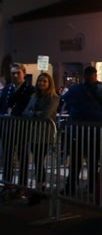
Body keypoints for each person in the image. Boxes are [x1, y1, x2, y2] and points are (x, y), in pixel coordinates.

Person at [61, 65, 102, 195]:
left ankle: (70, 187)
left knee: (76, 161)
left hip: (77, 131)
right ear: (96, 75)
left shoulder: (75, 89)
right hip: (96, 131)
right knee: (93, 161)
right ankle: (92, 187)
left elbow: (65, 101)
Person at [23, 72, 60, 205]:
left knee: (39, 160)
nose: (41, 83)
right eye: (40, 81)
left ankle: (39, 189)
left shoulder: (53, 98)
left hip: (44, 134)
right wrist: (34, 113)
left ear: (49, 83)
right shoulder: (34, 96)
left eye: (44, 81)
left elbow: (46, 114)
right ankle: (41, 187)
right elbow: (25, 111)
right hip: (32, 133)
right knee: (37, 161)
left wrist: (33, 113)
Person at [0, 62, 36, 198]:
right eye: (13, 73)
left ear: (23, 74)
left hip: (23, 128)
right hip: (7, 127)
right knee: (8, 156)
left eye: (18, 73)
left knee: (23, 156)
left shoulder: (29, 89)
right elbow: (2, 105)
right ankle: (8, 183)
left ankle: (21, 186)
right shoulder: (7, 88)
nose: (15, 75)